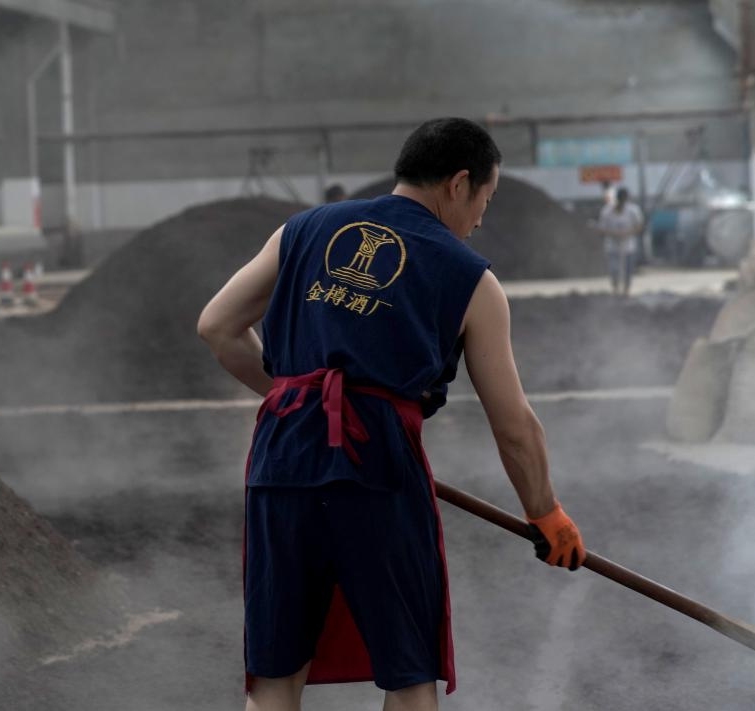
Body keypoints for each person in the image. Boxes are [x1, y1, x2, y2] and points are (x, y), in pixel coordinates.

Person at [197, 117, 586, 711]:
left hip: (282, 460)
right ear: (459, 184)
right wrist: (546, 513)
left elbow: (217, 327)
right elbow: (514, 425)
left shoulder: (302, 230)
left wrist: (295, 403)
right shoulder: (470, 278)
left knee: (275, 673)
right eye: (485, 200)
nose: (480, 219)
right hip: (378, 470)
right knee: (409, 675)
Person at [597, 187, 644, 296]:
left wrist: (628, 233)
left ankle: (626, 291)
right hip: (612, 245)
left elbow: (639, 226)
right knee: (613, 269)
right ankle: (615, 288)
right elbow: (601, 229)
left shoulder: (633, 210)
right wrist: (614, 234)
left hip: (628, 246)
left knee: (628, 270)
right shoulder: (607, 211)